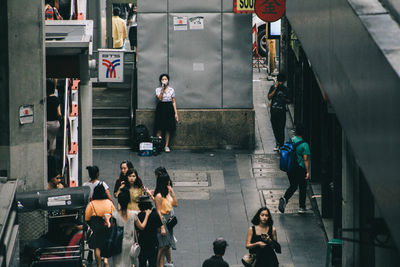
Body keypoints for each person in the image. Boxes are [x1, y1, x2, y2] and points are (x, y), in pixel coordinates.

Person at [112, 188, 151, 267]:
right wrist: (146, 215)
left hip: (117, 243)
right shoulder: (133, 214)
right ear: (128, 202)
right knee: (129, 264)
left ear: (119, 202)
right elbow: (142, 227)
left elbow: (112, 229)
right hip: (129, 243)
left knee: (117, 264)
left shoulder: (114, 215)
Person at [279, 124, 311, 214]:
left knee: (293, 185)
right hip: (300, 168)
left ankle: (285, 198)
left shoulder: (291, 140)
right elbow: (305, 159)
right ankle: (302, 207)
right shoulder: (305, 145)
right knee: (302, 187)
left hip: (290, 168)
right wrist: (308, 171)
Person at [85, 184, 116, 267]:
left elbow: (87, 218)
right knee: (105, 244)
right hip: (107, 225)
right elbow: (114, 214)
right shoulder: (109, 203)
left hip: (96, 228)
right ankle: (106, 261)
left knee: (97, 247)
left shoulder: (92, 204)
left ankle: (99, 265)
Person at [154, 173, 178, 267]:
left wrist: (172, 192)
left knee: (166, 246)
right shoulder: (159, 196)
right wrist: (162, 227)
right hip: (163, 220)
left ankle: (161, 265)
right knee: (162, 246)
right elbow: (158, 211)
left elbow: (175, 204)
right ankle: (156, 263)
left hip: (169, 220)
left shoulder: (167, 193)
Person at [154, 74, 179, 153]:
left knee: (168, 128)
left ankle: (166, 146)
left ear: (168, 81)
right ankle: (159, 145)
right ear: (160, 81)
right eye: (162, 79)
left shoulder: (171, 90)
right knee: (159, 127)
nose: (164, 80)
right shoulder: (157, 89)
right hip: (161, 107)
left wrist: (176, 113)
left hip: (169, 108)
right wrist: (162, 89)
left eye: (166, 79)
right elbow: (160, 99)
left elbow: (173, 102)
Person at [137, 195, 163, 267]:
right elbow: (158, 229)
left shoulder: (139, 216)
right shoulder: (155, 215)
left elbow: (137, 230)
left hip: (142, 243)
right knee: (152, 263)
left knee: (142, 263)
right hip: (153, 242)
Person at [268, 73, 290, 151]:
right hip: (274, 112)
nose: (280, 83)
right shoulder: (273, 87)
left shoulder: (286, 89)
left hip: (281, 113)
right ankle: (277, 143)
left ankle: (281, 144)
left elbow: (289, 100)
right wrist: (275, 89)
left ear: (283, 82)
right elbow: (269, 97)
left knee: (281, 129)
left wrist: (284, 99)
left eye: (281, 81)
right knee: (275, 128)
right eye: (279, 81)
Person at [46, 79, 62, 156]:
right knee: (53, 138)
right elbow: (59, 113)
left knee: (46, 138)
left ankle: (45, 153)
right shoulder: (56, 99)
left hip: (46, 123)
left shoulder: (45, 100)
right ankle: (51, 154)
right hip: (55, 124)